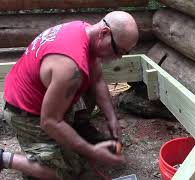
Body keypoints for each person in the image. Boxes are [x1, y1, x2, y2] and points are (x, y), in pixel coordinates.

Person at [0, 10, 139, 180]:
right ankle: (4, 158)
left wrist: (112, 119)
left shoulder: (85, 31)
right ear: (104, 33)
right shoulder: (70, 67)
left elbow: (96, 79)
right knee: (67, 172)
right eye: (118, 51)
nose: (118, 58)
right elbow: (50, 121)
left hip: (41, 96)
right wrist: (92, 151)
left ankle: (77, 128)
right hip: (24, 112)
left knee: (85, 83)